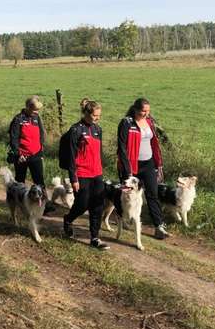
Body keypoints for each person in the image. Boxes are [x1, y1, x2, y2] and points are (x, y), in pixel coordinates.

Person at [117, 97, 169, 240]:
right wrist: (127, 170)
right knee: (127, 195)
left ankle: (159, 226)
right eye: (143, 111)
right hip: (131, 165)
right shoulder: (126, 123)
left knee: (153, 194)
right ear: (135, 109)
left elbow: (155, 142)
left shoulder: (150, 122)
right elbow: (121, 147)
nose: (146, 114)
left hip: (148, 164)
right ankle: (123, 218)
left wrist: (158, 164)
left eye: (148, 111)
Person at [63, 99, 109, 250]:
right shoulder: (76, 130)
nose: (98, 118)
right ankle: (69, 219)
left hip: (97, 173)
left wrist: (101, 169)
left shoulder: (98, 130)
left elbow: (98, 152)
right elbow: (70, 156)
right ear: (87, 113)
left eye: (99, 116)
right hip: (81, 173)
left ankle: (95, 237)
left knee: (97, 206)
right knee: (82, 204)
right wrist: (73, 178)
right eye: (95, 115)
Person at [8, 96, 55, 214]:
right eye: (34, 110)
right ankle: (21, 204)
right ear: (28, 107)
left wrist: (41, 151)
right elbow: (13, 139)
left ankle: (44, 205)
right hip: (22, 156)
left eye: (38, 110)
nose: (36, 112)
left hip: (36, 155)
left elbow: (41, 135)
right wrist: (18, 154)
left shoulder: (36, 118)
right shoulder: (18, 119)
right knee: (20, 181)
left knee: (40, 180)